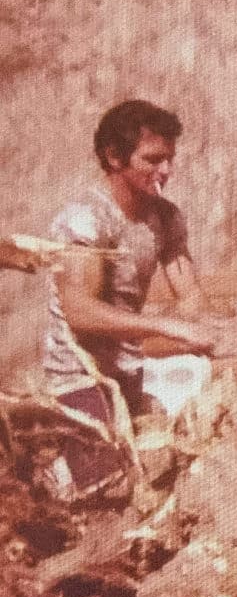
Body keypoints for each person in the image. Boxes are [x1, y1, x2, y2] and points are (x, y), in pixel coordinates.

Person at [41, 99, 222, 500]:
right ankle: (53, 480)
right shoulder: (86, 219)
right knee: (106, 490)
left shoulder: (165, 218)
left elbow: (189, 293)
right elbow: (79, 311)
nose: (166, 171)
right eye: (153, 160)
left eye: (170, 159)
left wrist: (204, 331)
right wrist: (164, 326)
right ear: (114, 157)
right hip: (81, 376)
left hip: (127, 373)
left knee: (174, 465)